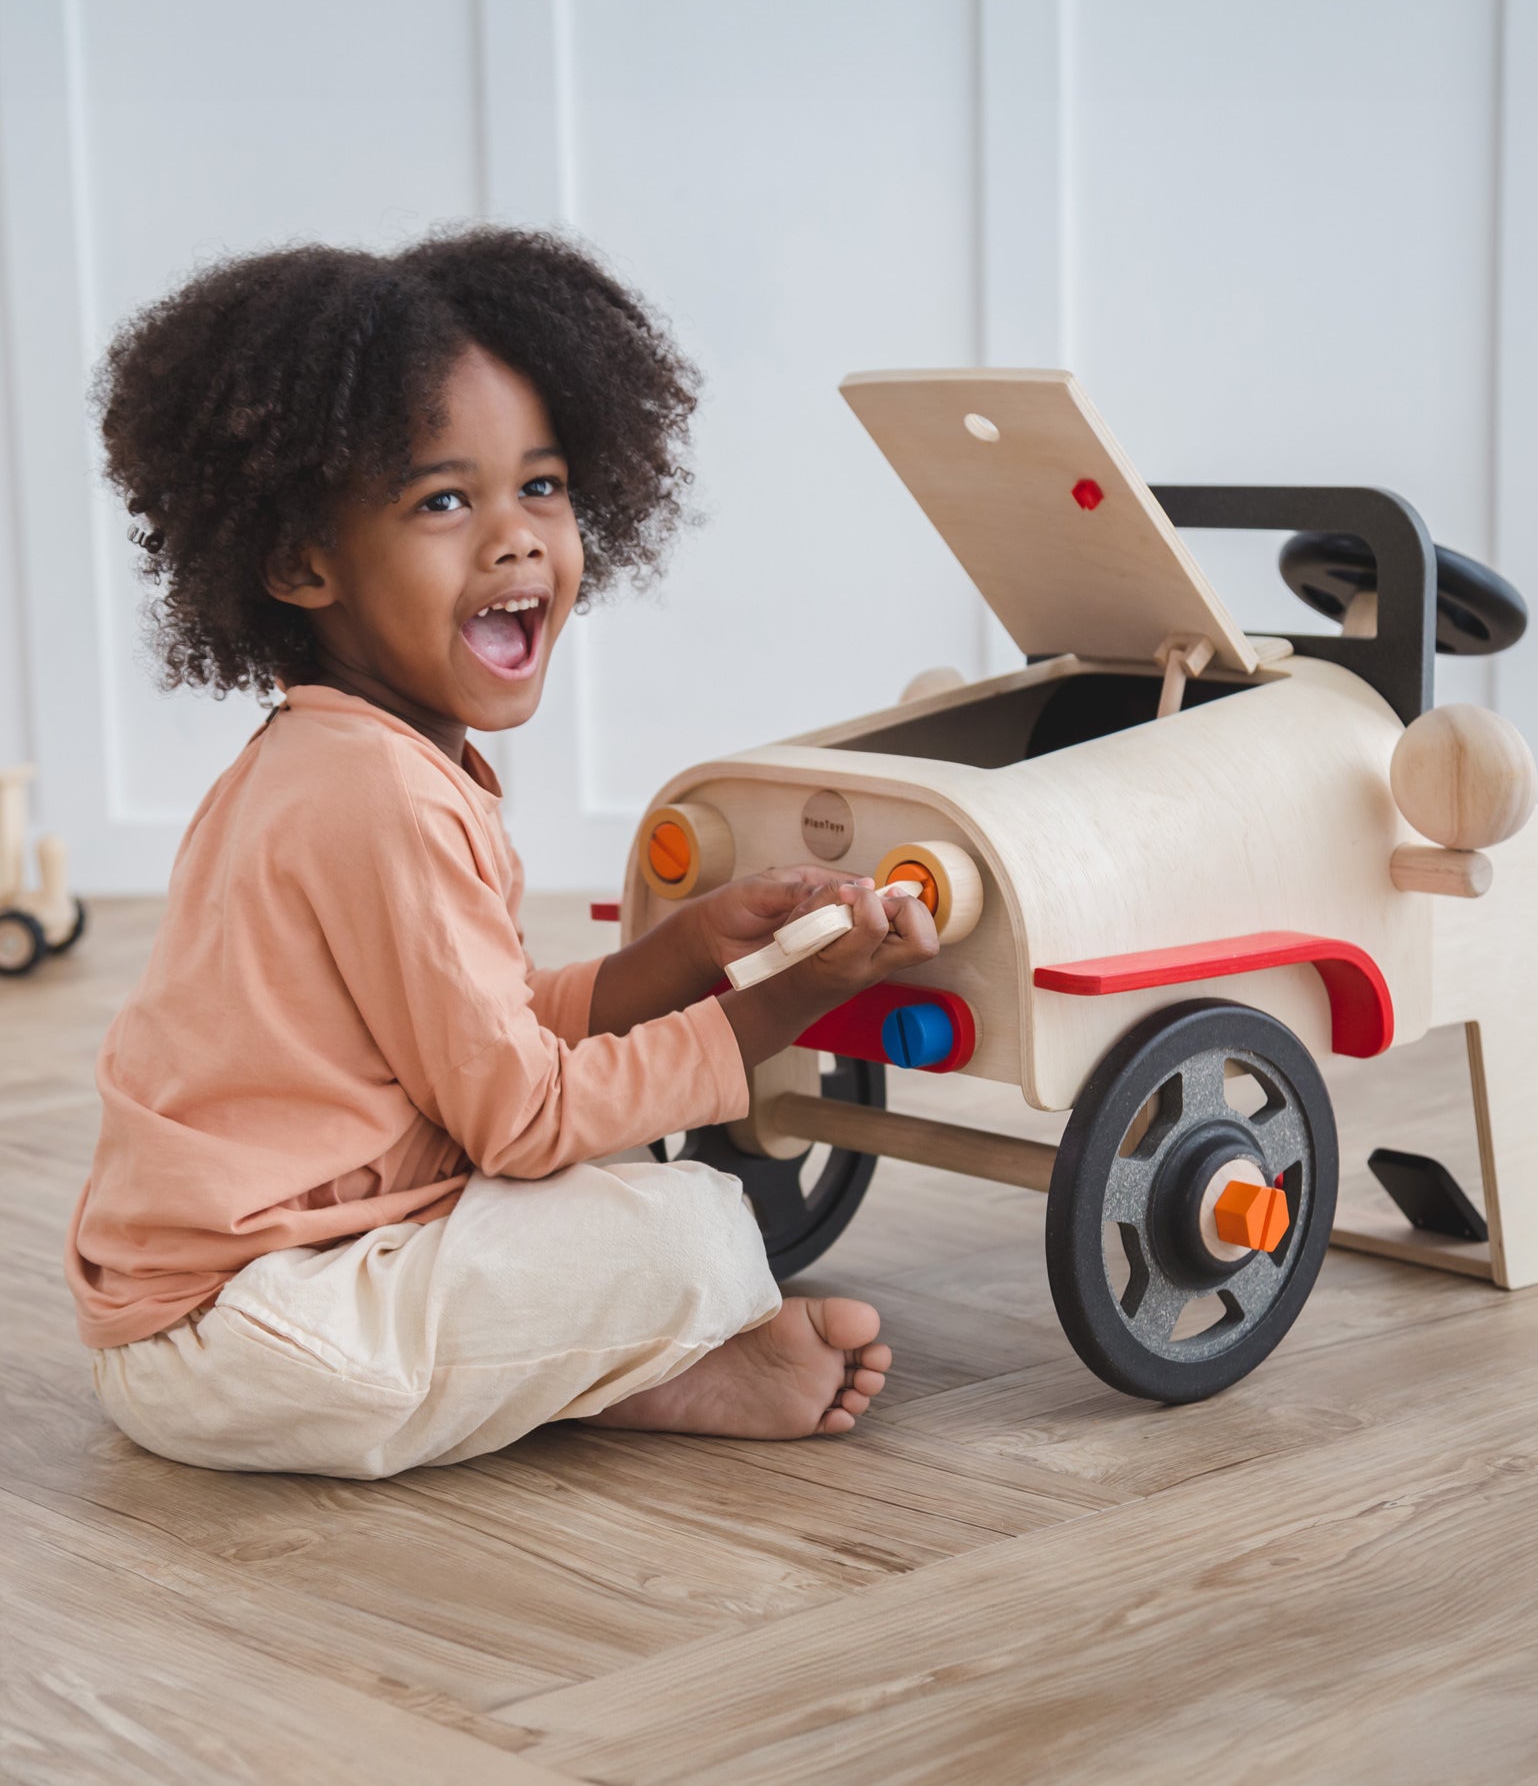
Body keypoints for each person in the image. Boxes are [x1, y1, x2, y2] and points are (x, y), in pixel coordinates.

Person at [64, 226, 937, 1479]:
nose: (518, 537)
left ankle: (593, 1371)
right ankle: (626, 1380)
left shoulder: (354, 758)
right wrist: (780, 1004)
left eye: (543, 485)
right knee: (691, 1233)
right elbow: (522, 1122)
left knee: (645, 1198)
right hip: (246, 1331)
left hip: (288, 1281)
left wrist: (689, 952)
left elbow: (485, 1043)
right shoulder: (374, 795)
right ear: (299, 561)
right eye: (442, 500)